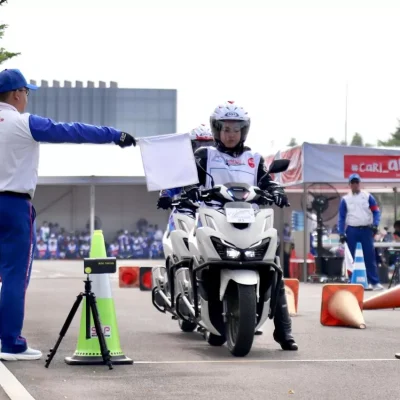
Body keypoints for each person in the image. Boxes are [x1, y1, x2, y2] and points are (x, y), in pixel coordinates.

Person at [0, 68, 137, 361]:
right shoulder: (23, 123)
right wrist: (115, 135)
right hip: (12, 206)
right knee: (14, 276)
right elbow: (72, 131)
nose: (26, 99)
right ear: (17, 94)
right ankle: (10, 343)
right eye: (26, 93)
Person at [182, 101, 298, 351]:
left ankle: (284, 329)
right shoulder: (204, 156)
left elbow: (267, 183)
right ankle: (205, 318)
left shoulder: (254, 159)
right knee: (201, 261)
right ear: (216, 130)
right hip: (215, 218)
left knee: (272, 266)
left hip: (251, 220)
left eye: (236, 128)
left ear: (244, 131)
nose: (230, 133)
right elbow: (189, 181)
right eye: (225, 128)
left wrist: (277, 191)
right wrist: (189, 192)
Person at [338, 173, 384, 290]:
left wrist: (375, 224)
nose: (355, 184)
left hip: (366, 230)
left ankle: (374, 282)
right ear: (349, 184)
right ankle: (354, 280)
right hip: (352, 230)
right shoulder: (345, 199)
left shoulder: (368, 196)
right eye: (352, 182)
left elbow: (376, 211)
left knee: (369, 256)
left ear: (360, 183)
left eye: (356, 182)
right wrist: (341, 232)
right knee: (352, 257)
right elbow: (342, 217)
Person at [157, 124, 215, 211]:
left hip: (214, 211)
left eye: (209, 145)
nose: (203, 150)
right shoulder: (183, 166)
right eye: (199, 145)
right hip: (186, 211)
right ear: (189, 146)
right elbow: (169, 185)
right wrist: (165, 196)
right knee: (174, 222)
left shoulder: (221, 165)